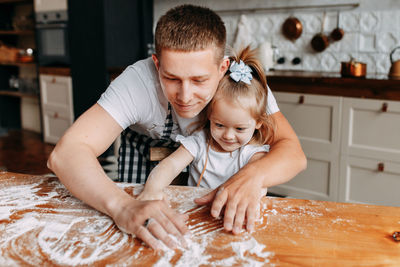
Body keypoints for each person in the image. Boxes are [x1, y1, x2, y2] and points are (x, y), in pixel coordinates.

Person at [47, 4, 306, 250]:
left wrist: (254, 176)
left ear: (222, 68)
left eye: (199, 80)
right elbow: (66, 152)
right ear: (157, 64)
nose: (185, 95)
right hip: (146, 163)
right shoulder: (137, 82)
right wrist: (122, 207)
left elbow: (292, 151)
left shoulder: (242, 85)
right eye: (171, 78)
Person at [138, 47, 277, 233]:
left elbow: (260, 187)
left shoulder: (253, 153)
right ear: (209, 115)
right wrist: (152, 191)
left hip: (231, 219)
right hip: (195, 217)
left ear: (258, 123)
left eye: (239, 129)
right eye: (219, 125)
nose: (228, 135)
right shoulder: (200, 142)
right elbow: (169, 165)